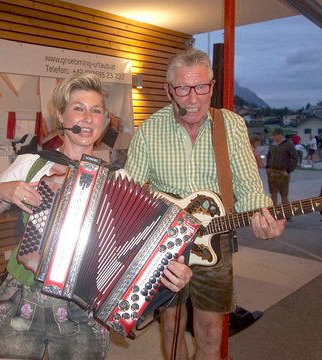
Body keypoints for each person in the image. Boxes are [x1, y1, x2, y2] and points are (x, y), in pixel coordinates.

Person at [0, 73, 193, 360]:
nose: (87, 118)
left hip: (84, 307)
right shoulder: (32, 164)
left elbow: (137, 253)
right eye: (78, 108)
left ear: (104, 120)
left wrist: (168, 275)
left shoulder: (119, 179)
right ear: (61, 115)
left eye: (96, 110)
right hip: (23, 296)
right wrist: (0, 191)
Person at [124, 48, 285, 360]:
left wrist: (263, 215)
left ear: (212, 86)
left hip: (216, 238)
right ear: (168, 91)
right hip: (165, 244)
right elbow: (129, 191)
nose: (193, 99)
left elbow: (248, 185)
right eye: (183, 89)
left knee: (211, 327)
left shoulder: (231, 125)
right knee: (171, 325)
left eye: (201, 87)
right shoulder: (149, 130)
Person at [266, 127, 298, 207]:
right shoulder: (272, 145)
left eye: (275, 135)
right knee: (273, 193)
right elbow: (268, 156)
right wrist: (267, 167)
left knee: (284, 194)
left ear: (280, 135)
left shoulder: (288, 144)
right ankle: (273, 213)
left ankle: (286, 214)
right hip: (272, 173)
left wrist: (288, 170)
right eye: (273, 136)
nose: (274, 137)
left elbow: (295, 158)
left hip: (283, 173)